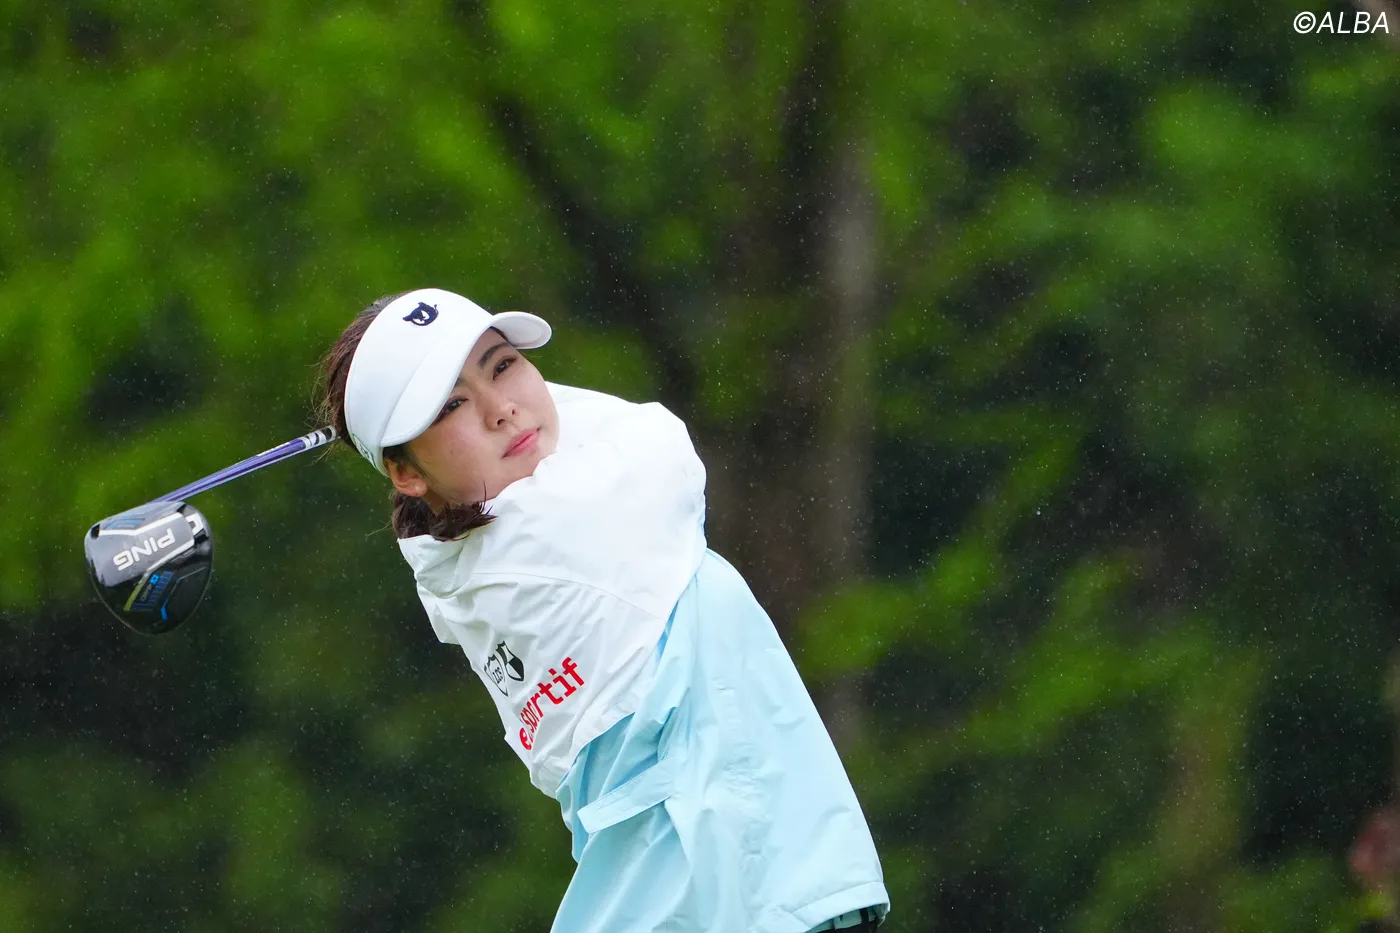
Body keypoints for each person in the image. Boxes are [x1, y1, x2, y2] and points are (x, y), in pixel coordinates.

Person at [316, 287, 889, 933]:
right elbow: (658, 435)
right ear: (405, 474)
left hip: (707, 893)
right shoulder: (568, 527)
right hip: (724, 891)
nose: (502, 410)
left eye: (503, 365)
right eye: (451, 404)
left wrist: (411, 432)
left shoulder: (465, 563)